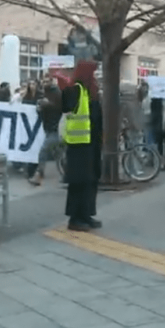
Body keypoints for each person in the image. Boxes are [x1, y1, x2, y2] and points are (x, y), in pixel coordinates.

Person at [61, 61, 102, 231]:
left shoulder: (89, 91)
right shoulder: (76, 89)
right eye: (92, 73)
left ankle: (86, 214)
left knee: (90, 180)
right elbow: (66, 108)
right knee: (79, 181)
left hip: (91, 144)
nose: (95, 76)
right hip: (79, 146)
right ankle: (75, 218)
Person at [29, 84, 62, 186]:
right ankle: (66, 175)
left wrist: (40, 106)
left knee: (43, 152)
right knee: (58, 156)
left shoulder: (48, 105)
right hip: (57, 132)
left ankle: (39, 175)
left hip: (53, 132)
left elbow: (40, 111)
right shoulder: (58, 104)